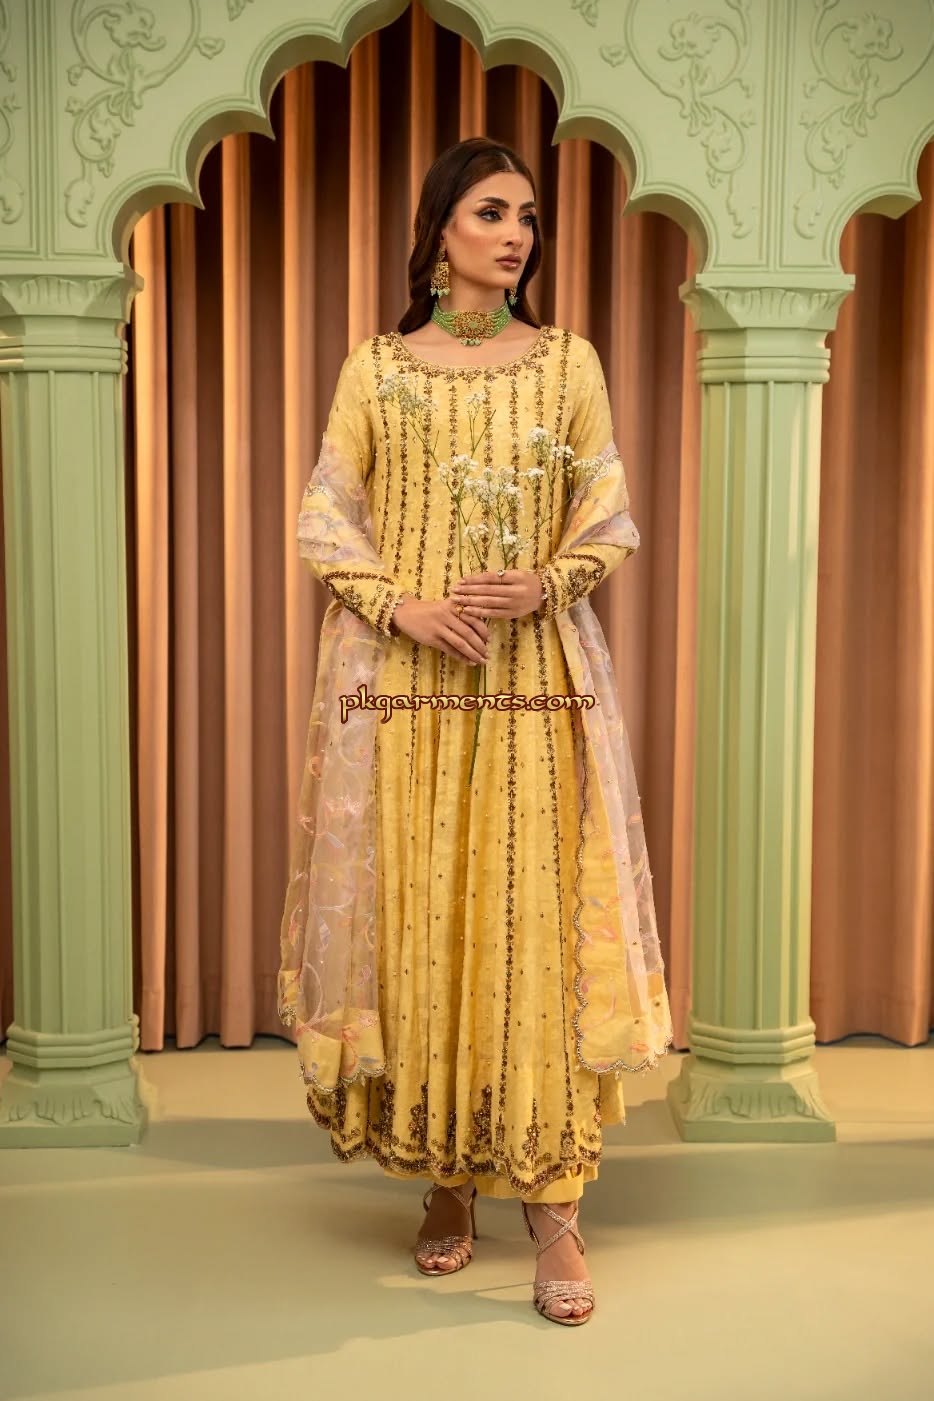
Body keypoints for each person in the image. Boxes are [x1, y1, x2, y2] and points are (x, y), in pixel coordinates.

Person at [277, 136, 674, 1326]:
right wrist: (399, 604)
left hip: (529, 684)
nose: (515, 235)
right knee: (424, 913)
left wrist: (547, 582)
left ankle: (552, 1207)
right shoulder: (377, 367)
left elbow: (608, 515)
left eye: (528, 217)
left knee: (530, 920)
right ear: (440, 228)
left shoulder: (565, 364)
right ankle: (445, 1177)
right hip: (407, 685)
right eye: (492, 212)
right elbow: (324, 514)